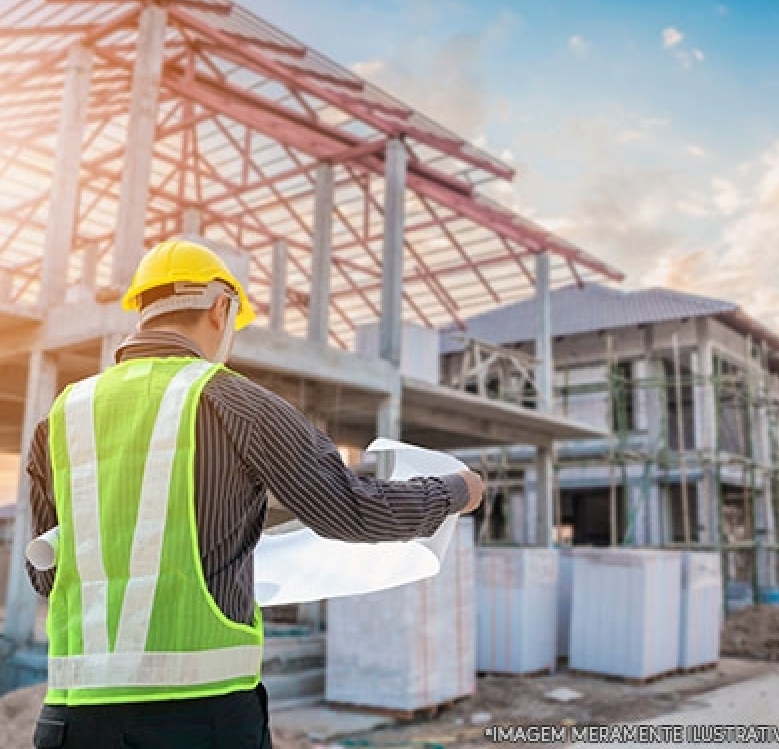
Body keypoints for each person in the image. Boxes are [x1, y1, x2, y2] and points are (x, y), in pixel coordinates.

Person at [25, 238, 486, 749]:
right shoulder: (238, 404)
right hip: (199, 721)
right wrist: (453, 491)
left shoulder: (62, 418)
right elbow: (351, 510)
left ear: (142, 311)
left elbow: (46, 574)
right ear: (220, 307)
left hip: (70, 722)